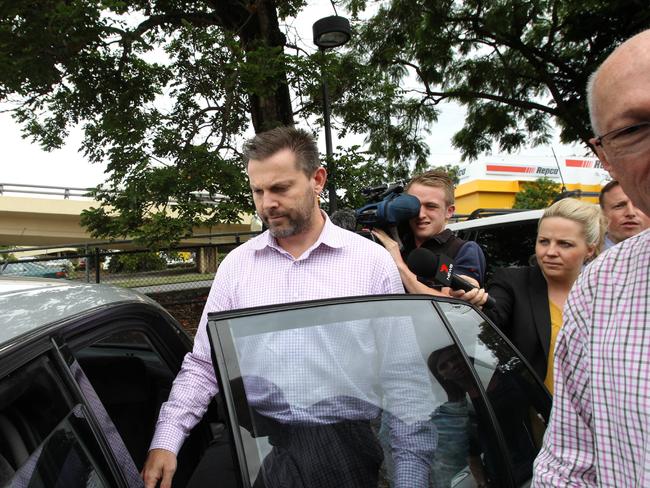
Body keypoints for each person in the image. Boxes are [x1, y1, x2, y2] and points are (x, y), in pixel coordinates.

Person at [142, 126, 434, 488]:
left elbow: (404, 377)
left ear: (317, 180)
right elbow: (204, 364)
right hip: (252, 438)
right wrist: (167, 440)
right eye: (257, 191)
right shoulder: (236, 266)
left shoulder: (371, 264)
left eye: (280, 188)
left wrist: (410, 478)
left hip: (342, 444)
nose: (267, 204)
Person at [532, 30, 650, 486]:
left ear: (590, 246)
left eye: (564, 243)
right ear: (606, 156)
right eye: (635, 130)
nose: (551, 252)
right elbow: (568, 464)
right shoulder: (600, 290)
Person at [484, 198, 604, 394]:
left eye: (564, 244)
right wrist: (473, 300)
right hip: (532, 417)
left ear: (589, 250)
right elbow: (489, 319)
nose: (550, 252)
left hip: (598, 415)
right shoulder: (512, 283)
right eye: (544, 241)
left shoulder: (606, 293)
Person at [371, 170, 486, 305]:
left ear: (449, 211)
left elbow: (449, 304)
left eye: (431, 206)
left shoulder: (463, 249)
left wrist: (399, 264)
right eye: (415, 207)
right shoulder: (395, 243)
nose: (420, 214)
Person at [598, 179, 650, 250]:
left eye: (639, 204)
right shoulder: (585, 257)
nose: (631, 213)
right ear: (602, 214)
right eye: (619, 206)